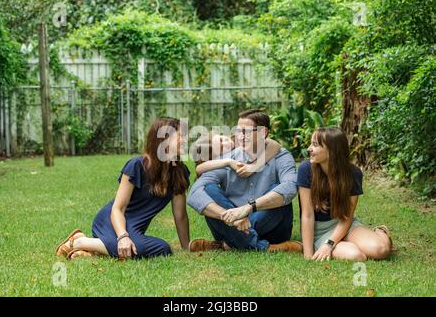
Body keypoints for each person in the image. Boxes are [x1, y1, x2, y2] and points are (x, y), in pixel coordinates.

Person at [55, 117, 191, 260]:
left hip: (135, 230)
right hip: (112, 221)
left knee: (162, 249)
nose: (185, 141)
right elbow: (117, 208)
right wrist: (123, 237)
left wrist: (186, 247)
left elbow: (180, 215)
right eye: (180, 136)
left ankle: (93, 249)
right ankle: (79, 242)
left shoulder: (180, 173)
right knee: (140, 247)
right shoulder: (137, 165)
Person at [187, 109, 303, 253]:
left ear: (263, 132)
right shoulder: (229, 159)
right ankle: (265, 247)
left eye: (245, 131)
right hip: (234, 223)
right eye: (237, 131)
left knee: (277, 189)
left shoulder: (281, 157)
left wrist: (248, 208)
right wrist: (233, 218)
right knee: (209, 189)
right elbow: (195, 194)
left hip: (271, 228)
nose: (240, 136)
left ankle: (227, 244)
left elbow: (291, 187)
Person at [298, 127, 394, 261]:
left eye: (315, 145)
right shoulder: (305, 169)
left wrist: (330, 244)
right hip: (319, 231)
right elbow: (307, 215)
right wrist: (308, 255)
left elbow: (347, 217)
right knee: (356, 256)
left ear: (332, 150)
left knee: (381, 250)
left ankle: (380, 232)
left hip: (344, 225)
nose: (309, 148)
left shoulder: (353, 174)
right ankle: (351, 244)